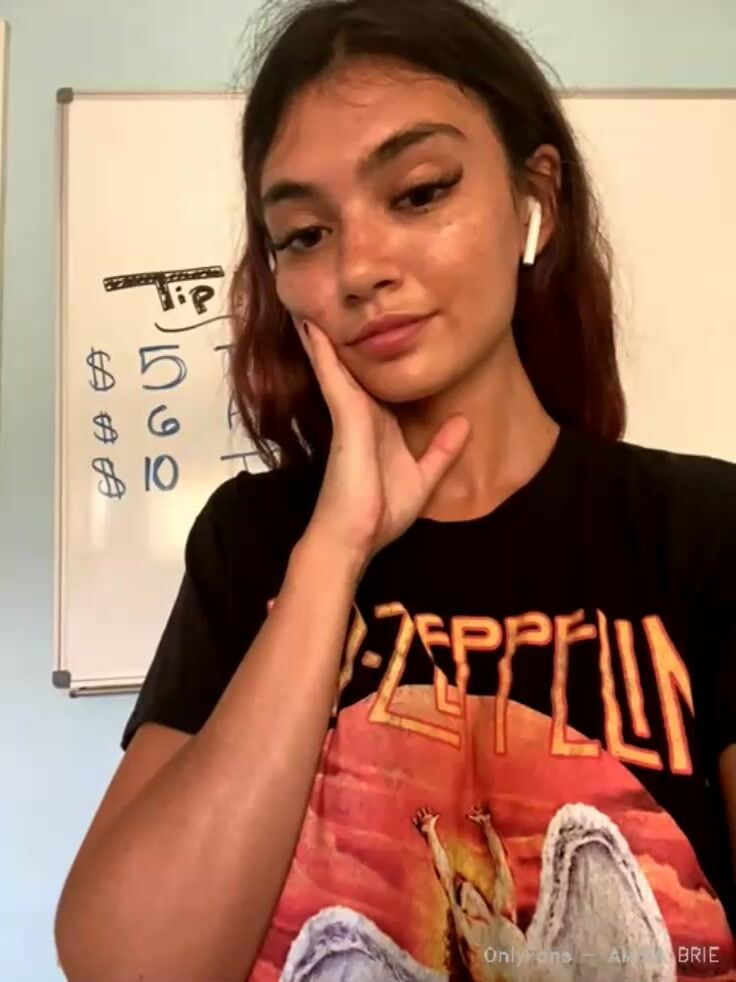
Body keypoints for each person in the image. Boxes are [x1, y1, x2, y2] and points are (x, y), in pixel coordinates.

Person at [54, 0, 736, 979]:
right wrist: (333, 551)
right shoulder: (254, 539)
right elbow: (128, 966)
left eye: (418, 192)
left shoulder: (702, 531)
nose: (359, 268)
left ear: (536, 199)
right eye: (303, 233)